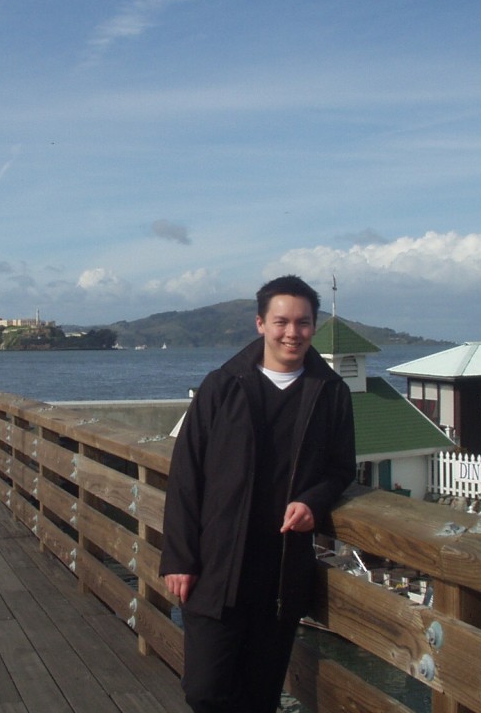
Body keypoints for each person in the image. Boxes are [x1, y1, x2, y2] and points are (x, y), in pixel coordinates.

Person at [159, 275, 357, 713]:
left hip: (280, 569)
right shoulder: (223, 385)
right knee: (205, 690)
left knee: (259, 696)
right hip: (216, 563)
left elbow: (342, 468)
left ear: (314, 326)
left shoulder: (331, 394)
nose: (292, 332)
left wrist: (314, 501)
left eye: (303, 323)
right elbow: (186, 474)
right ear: (260, 324)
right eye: (281, 321)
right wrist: (178, 558)